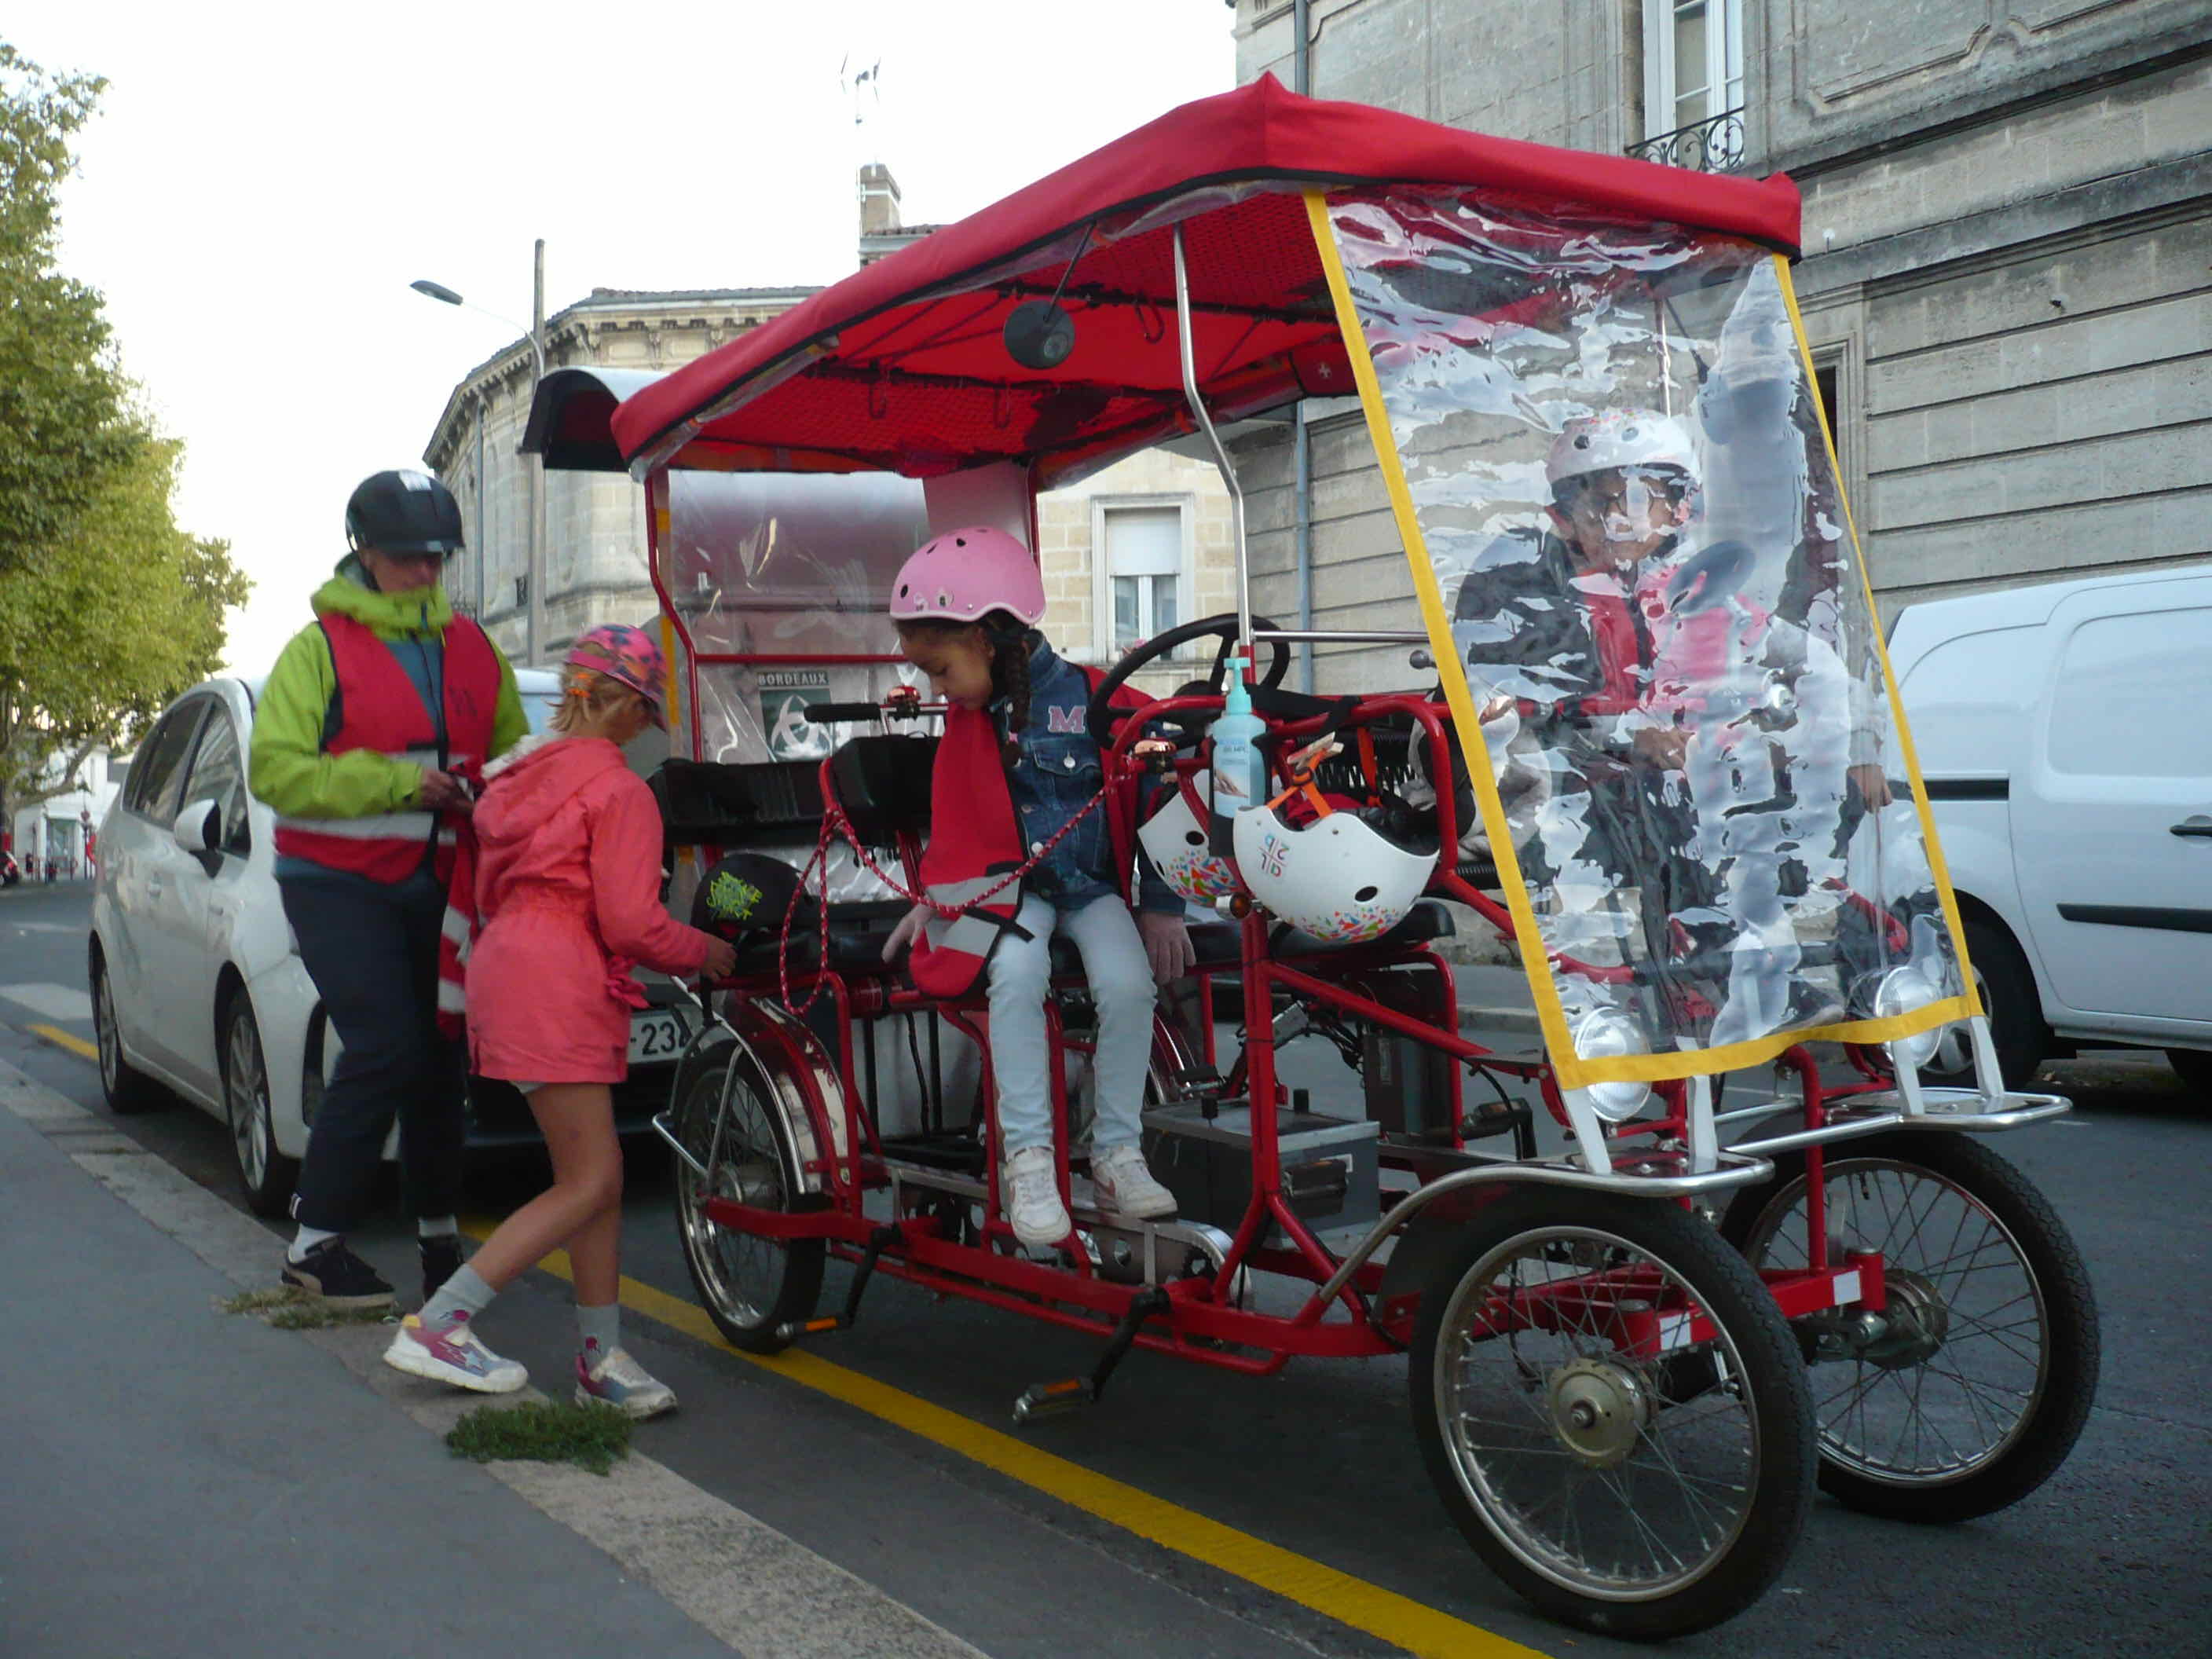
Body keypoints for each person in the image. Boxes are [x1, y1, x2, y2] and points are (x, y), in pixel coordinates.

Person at [383, 624, 738, 1415]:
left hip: (507, 967)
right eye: (645, 713)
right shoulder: (621, 792)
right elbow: (631, 923)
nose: (644, 729)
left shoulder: (516, 782)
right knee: (593, 1180)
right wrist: (704, 951)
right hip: (562, 978)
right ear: (626, 708)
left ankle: (601, 1359)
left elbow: (489, 890)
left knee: (592, 1180)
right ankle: (442, 1323)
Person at [250, 469, 529, 1310]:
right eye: (409, 556)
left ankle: (439, 1241)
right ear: (364, 552)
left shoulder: (475, 648)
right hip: (336, 885)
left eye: (439, 556)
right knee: (383, 1046)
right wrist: (403, 784)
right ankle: (314, 1247)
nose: (426, 571)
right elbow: (276, 772)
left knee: (440, 1056)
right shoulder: (316, 651)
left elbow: (513, 756)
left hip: (441, 882)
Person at [881, 526, 1190, 1248]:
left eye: (939, 669)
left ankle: (1117, 1152)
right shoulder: (968, 722)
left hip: (1089, 887)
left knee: (1130, 985)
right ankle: (1029, 1159)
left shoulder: (1101, 699)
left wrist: (1163, 908)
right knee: (1016, 978)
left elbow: (1162, 796)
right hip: (1010, 898)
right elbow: (957, 826)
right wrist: (936, 901)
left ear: (985, 640)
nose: (936, 689)